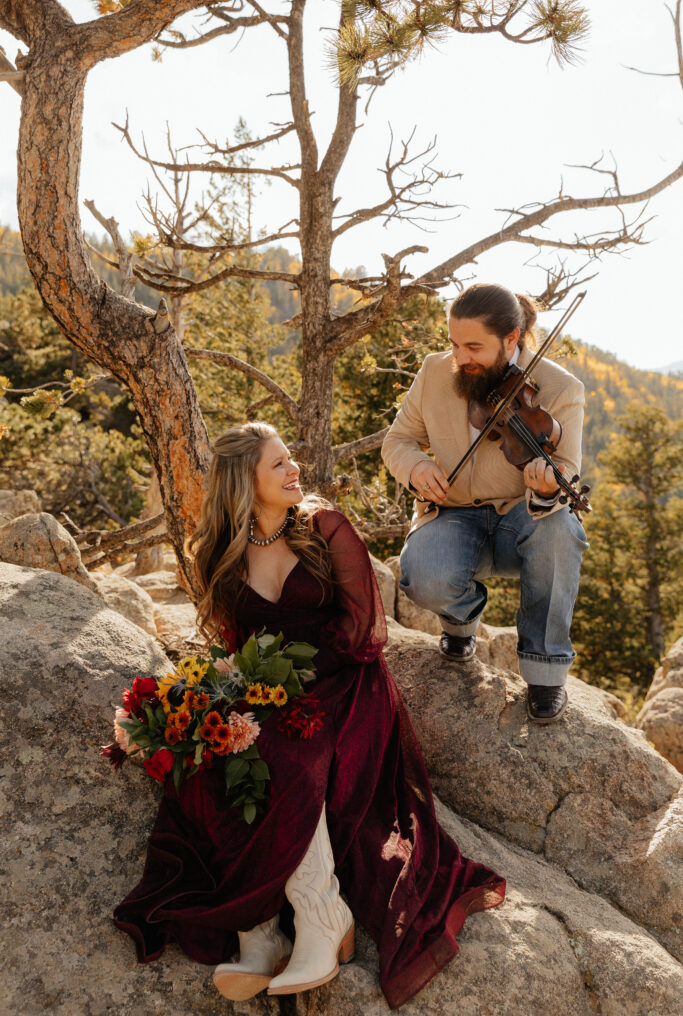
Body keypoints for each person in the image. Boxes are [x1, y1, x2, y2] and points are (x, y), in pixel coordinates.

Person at [113, 422, 506, 1010]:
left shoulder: (324, 528)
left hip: (347, 682)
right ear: (245, 481)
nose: (294, 469)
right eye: (279, 464)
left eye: (291, 459)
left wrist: (287, 683)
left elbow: (362, 629)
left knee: (287, 758)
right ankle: (261, 933)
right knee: (212, 760)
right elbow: (232, 644)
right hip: (270, 692)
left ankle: (322, 916)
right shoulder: (217, 552)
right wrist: (213, 698)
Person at [381, 283, 588, 724]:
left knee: (563, 528)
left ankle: (545, 674)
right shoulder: (435, 371)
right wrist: (416, 466)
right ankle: (460, 625)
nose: (461, 357)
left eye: (474, 346)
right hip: (453, 512)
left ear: (511, 338)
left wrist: (551, 486)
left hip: (522, 521)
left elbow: (567, 467)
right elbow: (398, 440)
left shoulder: (559, 387)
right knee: (422, 578)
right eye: (454, 344)